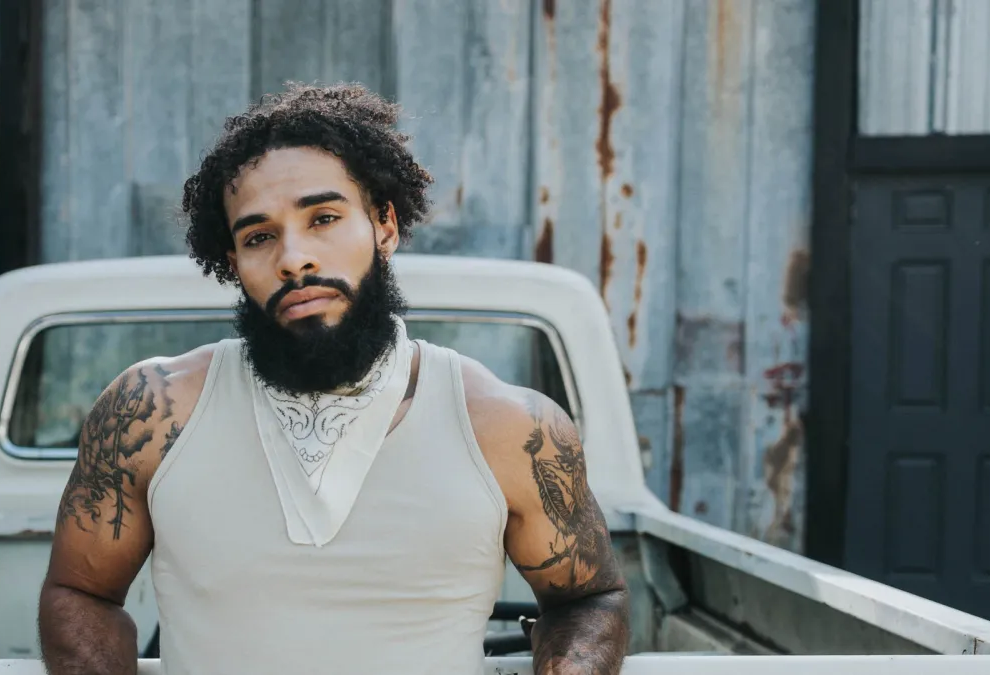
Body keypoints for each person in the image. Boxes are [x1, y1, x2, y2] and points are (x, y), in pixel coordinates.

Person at [37, 82, 630, 675]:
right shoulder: (150, 411)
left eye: (323, 218)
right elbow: (81, 592)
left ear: (384, 225)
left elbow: (589, 598)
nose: (294, 259)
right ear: (233, 262)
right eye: (259, 236)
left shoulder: (509, 426)